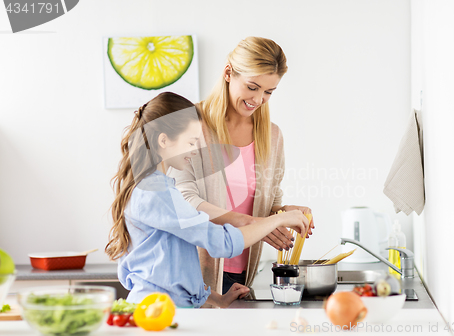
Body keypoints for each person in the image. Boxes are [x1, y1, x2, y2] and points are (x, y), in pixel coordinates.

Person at [105, 92, 308, 308]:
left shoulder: (159, 187)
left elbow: (172, 266)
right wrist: (278, 220)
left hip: (166, 308)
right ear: (164, 140)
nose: (196, 150)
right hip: (156, 312)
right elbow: (222, 242)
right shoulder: (156, 194)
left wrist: (216, 298)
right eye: (192, 142)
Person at [169, 37, 315, 297]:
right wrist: (260, 222)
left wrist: (283, 212)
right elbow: (183, 200)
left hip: (242, 274)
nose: (259, 99)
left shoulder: (271, 136)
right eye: (252, 87)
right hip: (190, 270)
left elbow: (269, 200)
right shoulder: (189, 124)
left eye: (269, 92)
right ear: (228, 73)